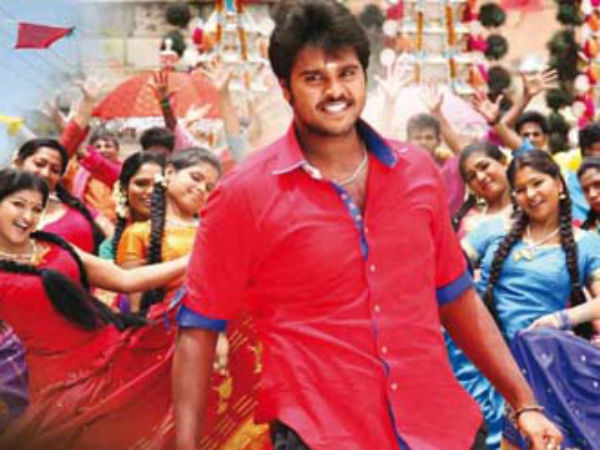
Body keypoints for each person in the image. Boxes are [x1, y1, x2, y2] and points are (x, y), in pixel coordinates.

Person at [172, 2, 562, 450]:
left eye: (347, 73)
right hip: (321, 434)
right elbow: (198, 329)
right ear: (285, 89)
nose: (335, 90)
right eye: (314, 78)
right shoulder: (244, 193)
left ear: (364, 76)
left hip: (441, 429)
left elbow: (457, 297)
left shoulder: (417, 172)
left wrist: (524, 402)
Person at [0, 168, 193, 449]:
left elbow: (125, 279)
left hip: (117, 352)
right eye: (18, 204)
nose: (27, 217)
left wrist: (193, 259)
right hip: (65, 390)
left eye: (36, 208)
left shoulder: (50, 243)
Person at [462, 150, 600, 449]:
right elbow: (449, 266)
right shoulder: (493, 230)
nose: (531, 195)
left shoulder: (586, 243)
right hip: (482, 354)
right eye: (521, 189)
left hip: (539, 361)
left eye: (537, 183)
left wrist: (560, 319)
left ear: (559, 184)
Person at [116, 148, 220, 315]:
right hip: (161, 325)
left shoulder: (215, 231)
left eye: (209, 188)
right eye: (196, 178)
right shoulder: (138, 233)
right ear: (170, 173)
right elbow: (135, 306)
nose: (201, 188)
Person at [13, 138, 104, 253]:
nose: (45, 174)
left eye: (55, 170)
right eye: (39, 164)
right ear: (18, 163)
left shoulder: (75, 213)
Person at [453, 141, 512, 238]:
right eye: (472, 176)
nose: (480, 177)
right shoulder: (471, 224)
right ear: (470, 187)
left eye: (484, 167)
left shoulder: (529, 204)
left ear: (503, 162)